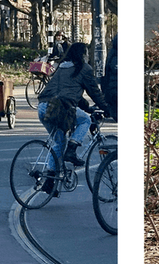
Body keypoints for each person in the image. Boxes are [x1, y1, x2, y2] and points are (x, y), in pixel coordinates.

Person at [35, 43, 112, 194]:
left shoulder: (62, 67)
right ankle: (72, 149)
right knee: (85, 120)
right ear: (83, 54)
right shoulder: (84, 68)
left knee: (58, 143)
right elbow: (94, 92)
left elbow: (72, 92)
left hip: (43, 107)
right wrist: (107, 108)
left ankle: (50, 181)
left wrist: (86, 107)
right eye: (87, 53)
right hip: (60, 108)